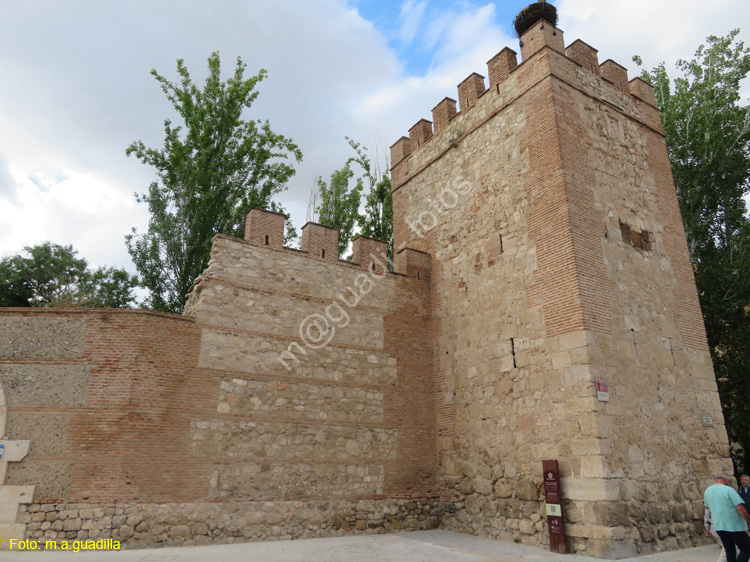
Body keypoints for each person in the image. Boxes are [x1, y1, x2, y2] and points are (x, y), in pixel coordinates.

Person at [705, 474, 750, 562]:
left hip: (719, 526)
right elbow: (740, 507)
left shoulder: (708, 491)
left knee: (729, 550)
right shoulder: (729, 490)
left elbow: (707, 509)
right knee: (746, 549)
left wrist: (707, 525)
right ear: (726, 480)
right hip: (734, 526)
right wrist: (748, 520)